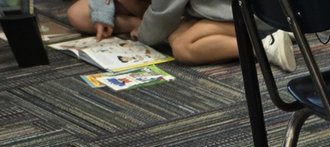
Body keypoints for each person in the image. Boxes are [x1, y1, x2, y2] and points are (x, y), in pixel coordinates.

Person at [66, 0, 295, 70]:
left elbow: (164, 12)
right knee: (80, 13)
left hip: (247, 13)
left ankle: (265, 45)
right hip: (194, 10)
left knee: (184, 47)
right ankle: (169, 30)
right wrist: (103, 12)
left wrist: (144, 34)